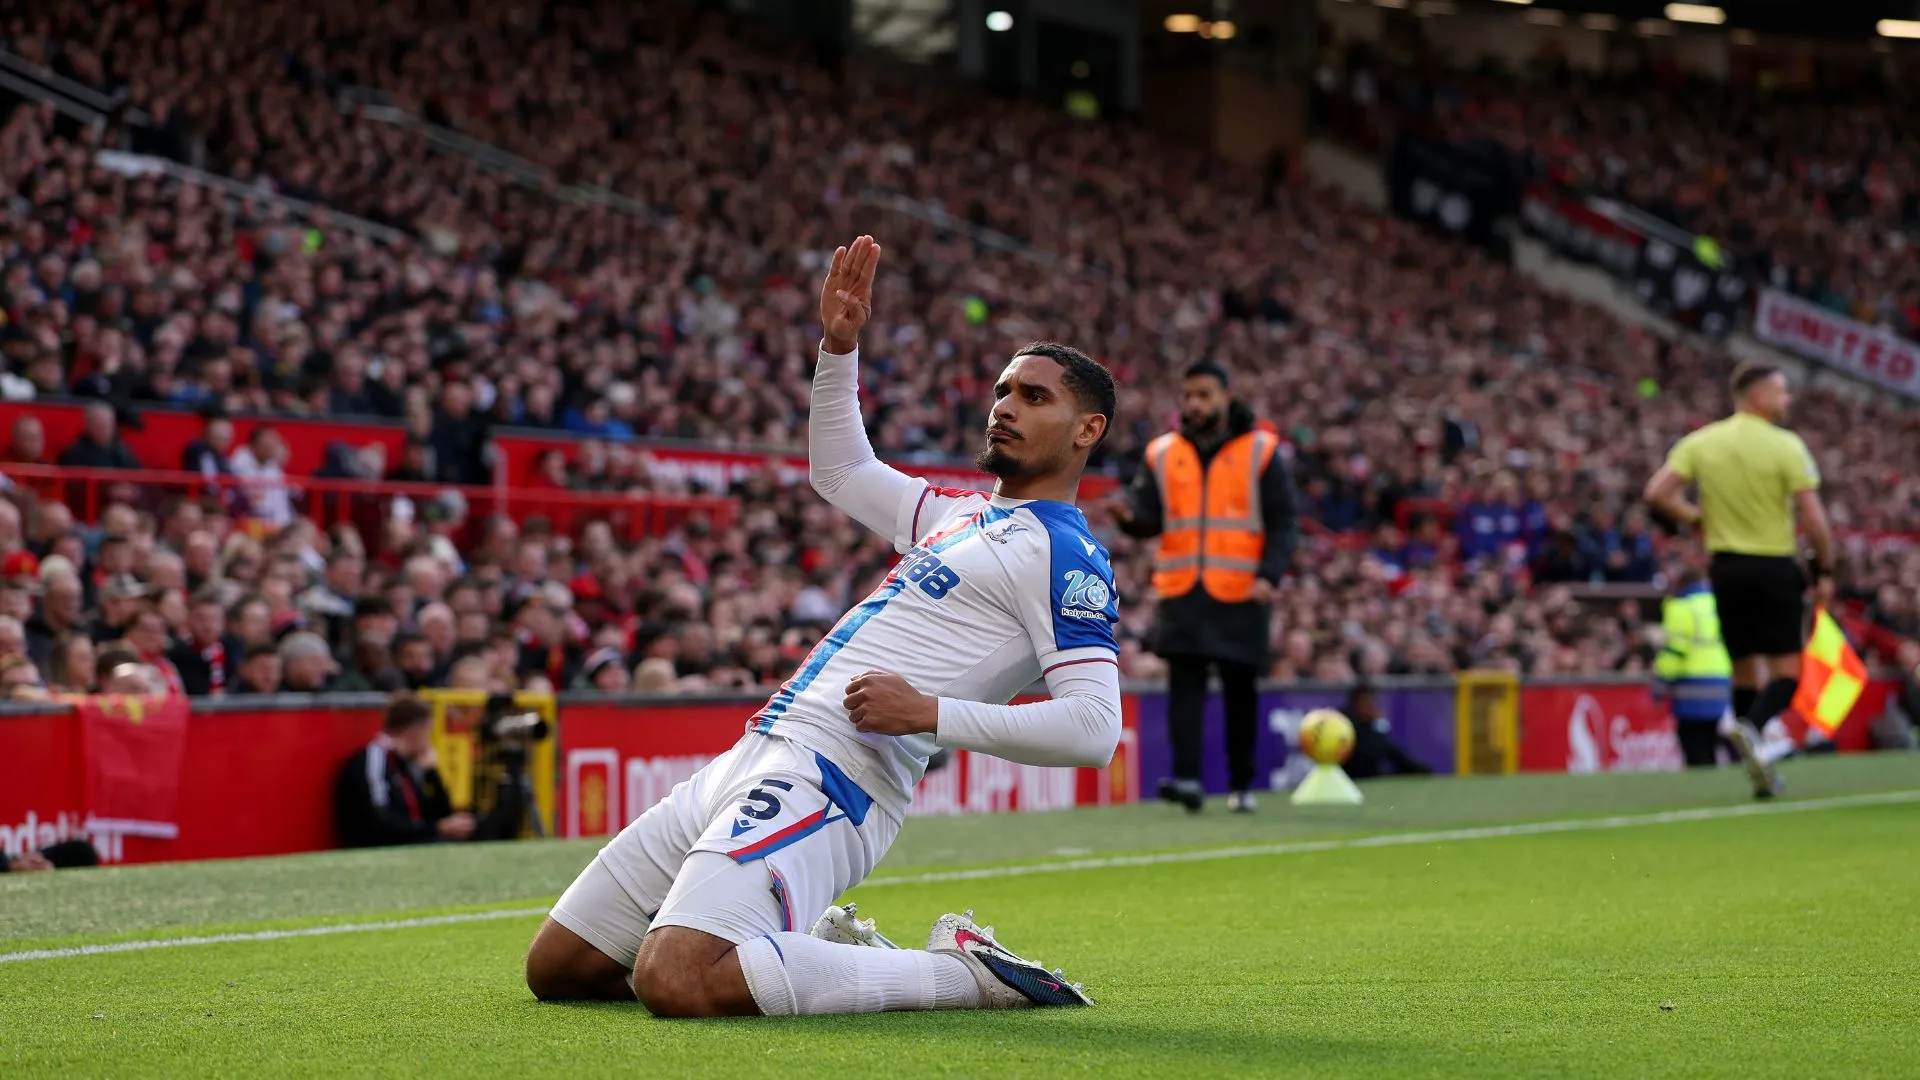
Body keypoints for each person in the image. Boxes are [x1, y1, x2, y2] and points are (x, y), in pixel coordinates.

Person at [525, 235, 1119, 1016]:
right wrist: (839, 348)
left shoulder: (1066, 553)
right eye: (1004, 390)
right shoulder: (957, 515)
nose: (1005, 406)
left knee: (677, 979)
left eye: (1035, 397)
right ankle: (815, 953)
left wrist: (932, 717)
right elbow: (840, 470)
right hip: (758, 749)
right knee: (561, 967)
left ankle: (965, 976)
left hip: (839, 777)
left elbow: (1095, 729)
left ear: (1088, 431)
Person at [1110, 361, 1299, 813]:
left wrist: (1268, 576)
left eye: (1205, 395)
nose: (1195, 404)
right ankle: (1189, 778)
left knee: (1240, 691)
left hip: (1242, 588)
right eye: (1189, 395)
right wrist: (1129, 519)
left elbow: (1283, 524)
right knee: (1185, 687)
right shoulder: (1161, 452)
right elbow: (1150, 518)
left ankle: (1241, 785)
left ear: (1226, 398)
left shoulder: (1262, 451)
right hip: (1181, 587)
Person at [1645, 362, 1833, 798]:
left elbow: (1657, 492)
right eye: (1781, 392)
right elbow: (1815, 520)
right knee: (1788, 669)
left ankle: (1759, 774)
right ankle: (1750, 726)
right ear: (1756, 394)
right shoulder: (1786, 446)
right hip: (1773, 566)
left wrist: (1697, 519)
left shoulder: (1702, 442)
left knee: (1746, 669)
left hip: (1726, 569)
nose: (1787, 400)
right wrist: (1825, 569)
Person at [332, 695, 476, 847]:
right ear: (415, 730)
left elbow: (441, 813)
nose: (429, 740)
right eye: (428, 732)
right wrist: (437, 828)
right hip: (377, 848)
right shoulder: (374, 759)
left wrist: (431, 773)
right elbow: (379, 821)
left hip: (409, 843)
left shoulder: (404, 763)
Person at [1653, 569, 1735, 768]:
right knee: (1716, 742)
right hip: (1721, 680)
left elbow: (1676, 649)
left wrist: (1660, 680)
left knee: (1695, 746)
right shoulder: (1718, 602)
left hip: (1692, 685)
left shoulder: (1681, 606)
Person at [1340, 684, 1433, 780]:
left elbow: (1393, 753)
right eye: (1368, 702)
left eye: (1374, 702)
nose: (1373, 707)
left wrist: (1421, 770)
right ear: (1357, 703)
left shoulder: (1371, 726)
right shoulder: (1344, 726)